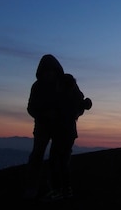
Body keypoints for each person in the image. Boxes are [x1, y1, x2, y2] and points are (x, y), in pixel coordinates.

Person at [44, 73, 92, 201]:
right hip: (70, 133)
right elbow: (85, 104)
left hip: (61, 133)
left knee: (55, 161)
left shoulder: (62, 99)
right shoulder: (73, 99)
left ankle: (57, 190)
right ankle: (66, 189)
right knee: (63, 162)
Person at [24, 54, 64, 200]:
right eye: (47, 71)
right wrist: (43, 115)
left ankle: (55, 186)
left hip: (60, 126)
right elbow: (30, 108)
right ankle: (32, 187)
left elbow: (76, 99)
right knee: (37, 155)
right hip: (42, 127)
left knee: (57, 157)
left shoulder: (64, 83)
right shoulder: (37, 86)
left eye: (51, 71)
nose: (49, 74)